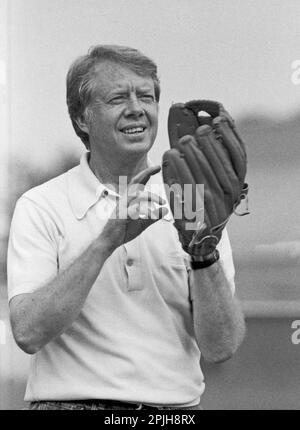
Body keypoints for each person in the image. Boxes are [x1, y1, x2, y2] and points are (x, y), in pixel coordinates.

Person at [7, 45, 245, 410]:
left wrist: (203, 253)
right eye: (118, 98)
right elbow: (28, 333)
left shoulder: (192, 202)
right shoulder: (42, 206)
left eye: (146, 97)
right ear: (82, 119)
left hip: (174, 414)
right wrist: (108, 240)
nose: (137, 108)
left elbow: (221, 347)